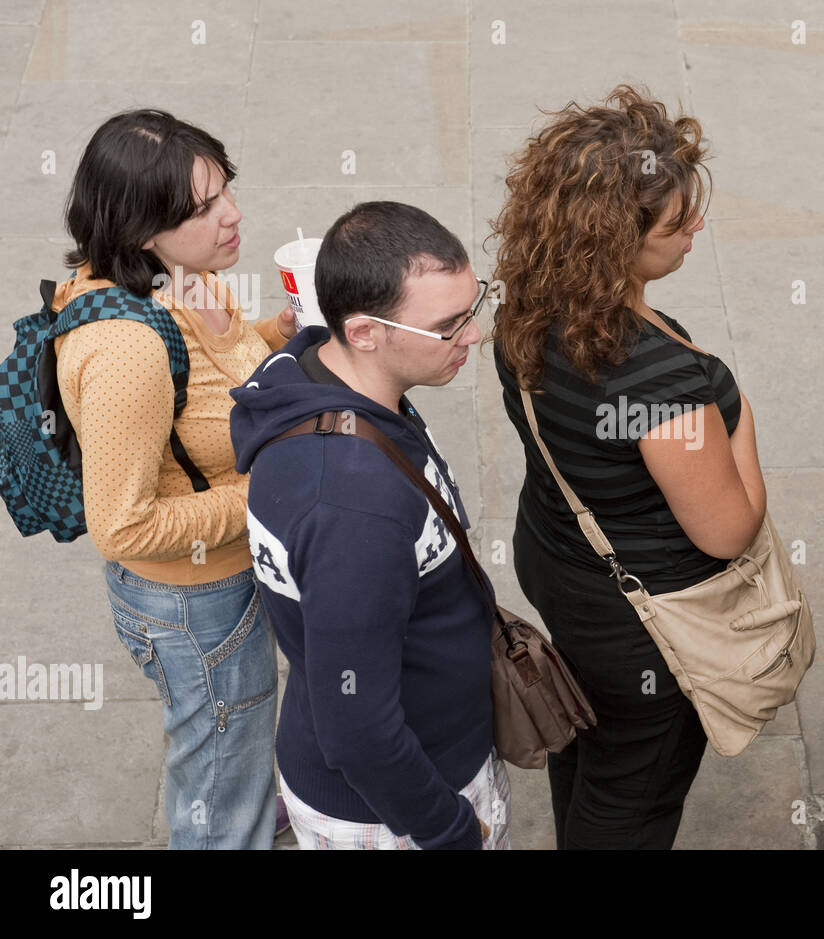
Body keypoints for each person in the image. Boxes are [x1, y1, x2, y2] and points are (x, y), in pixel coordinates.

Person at [489, 85, 768, 849]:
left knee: (586, 736)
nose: (696, 229)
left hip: (558, 560)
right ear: (616, 239)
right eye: (677, 223)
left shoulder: (527, 301)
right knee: (634, 795)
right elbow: (728, 529)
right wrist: (735, 407)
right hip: (643, 621)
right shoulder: (661, 382)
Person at [229, 201, 510, 850]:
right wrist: (450, 830)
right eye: (448, 325)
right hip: (394, 815)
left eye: (475, 306)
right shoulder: (354, 508)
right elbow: (357, 726)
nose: (472, 335)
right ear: (362, 332)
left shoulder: (315, 372)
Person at [54, 109, 297, 848]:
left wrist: (278, 335)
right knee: (218, 787)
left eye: (226, 190)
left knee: (236, 743)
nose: (233, 215)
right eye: (202, 209)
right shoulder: (128, 352)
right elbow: (122, 523)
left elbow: (217, 372)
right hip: (195, 606)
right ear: (139, 231)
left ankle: (250, 792)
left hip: (224, 580)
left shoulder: (187, 276)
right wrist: (264, 492)